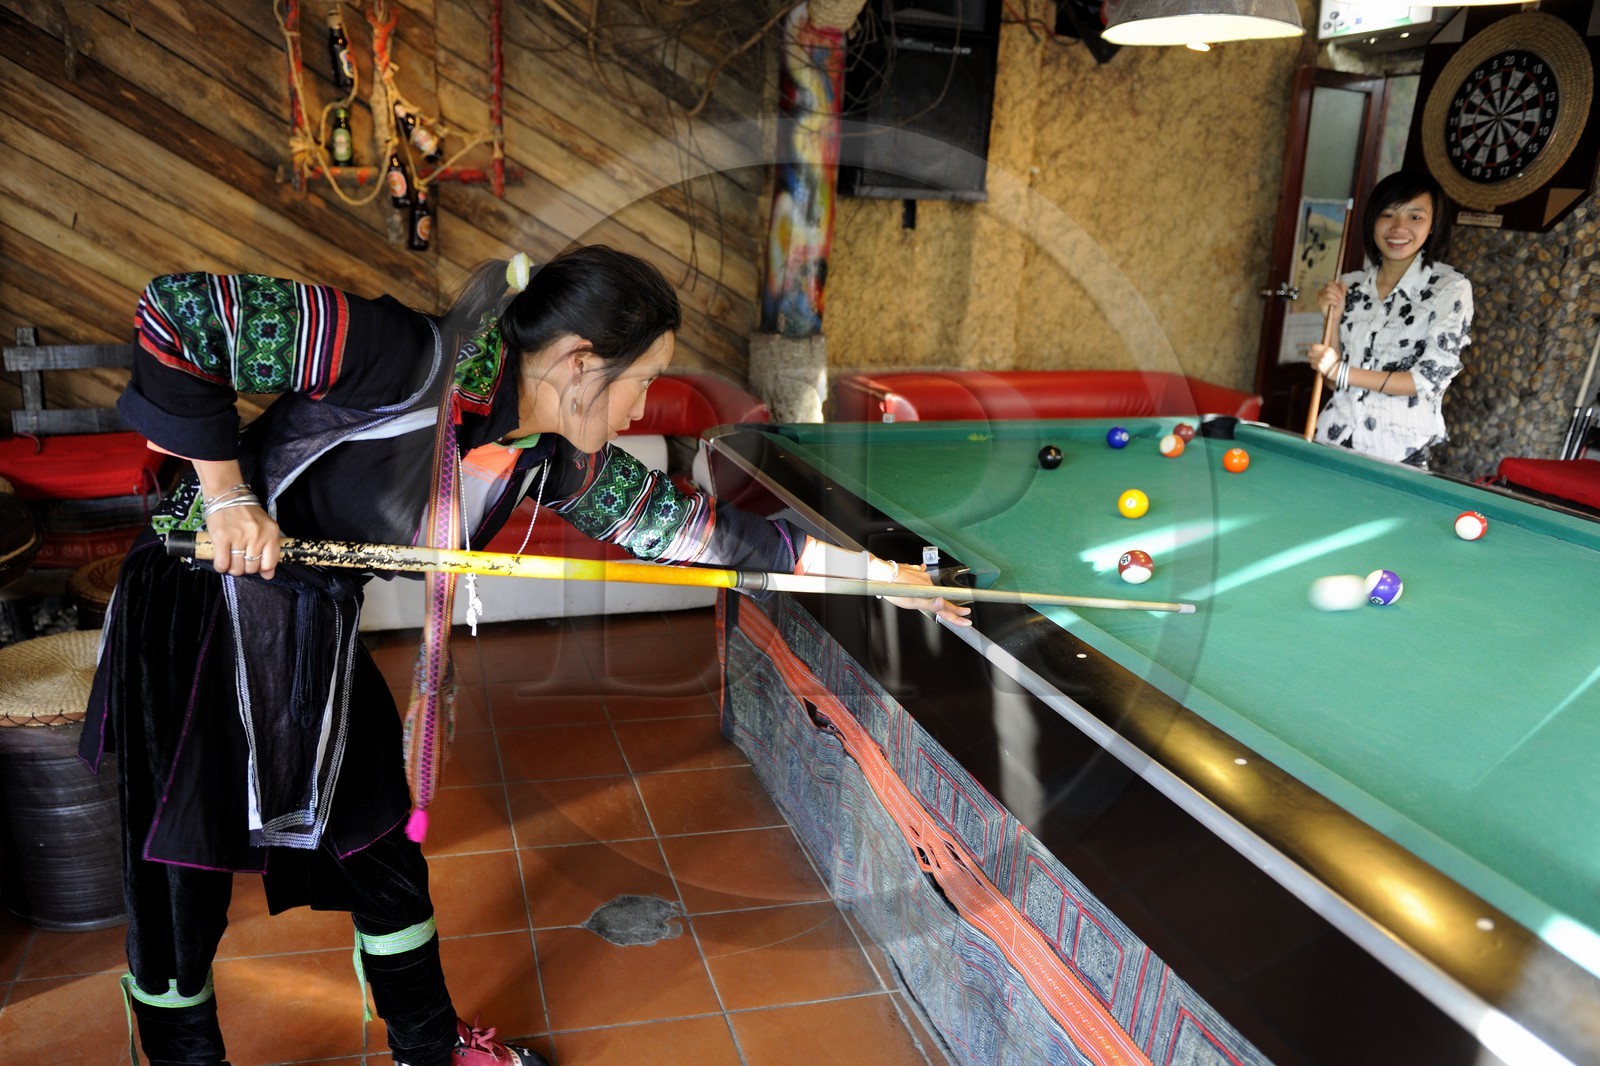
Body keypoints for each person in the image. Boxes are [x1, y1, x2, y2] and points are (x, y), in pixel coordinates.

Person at [84, 245, 970, 1066]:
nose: (640, 406)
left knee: (380, 843)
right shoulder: (405, 357)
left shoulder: (539, 455)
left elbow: (703, 532)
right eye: (644, 381)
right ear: (582, 361)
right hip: (195, 609)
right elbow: (179, 312)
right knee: (180, 880)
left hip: (305, 624)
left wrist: (877, 575)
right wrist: (228, 497)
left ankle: (428, 1048)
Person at [1308, 169, 1473, 467]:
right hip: (1334, 436)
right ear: (1373, 221)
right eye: (1388, 215)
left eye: (1415, 217)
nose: (1399, 228)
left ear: (1433, 225)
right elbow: (1333, 383)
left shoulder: (1450, 288)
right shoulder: (1351, 284)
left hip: (1398, 450)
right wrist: (1330, 319)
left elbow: (1427, 379)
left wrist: (1340, 371)